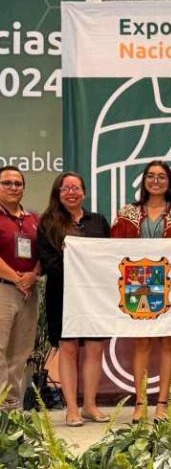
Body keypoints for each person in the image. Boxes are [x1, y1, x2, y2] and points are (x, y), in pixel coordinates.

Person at [110, 160, 171, 422]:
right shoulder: (127, 213)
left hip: (169, 285)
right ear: (144, 181)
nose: (156, 181)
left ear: (169, 182)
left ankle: (163, 405)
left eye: (162, 176)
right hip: (136, 285)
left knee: (168, 342)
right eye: (151, 176)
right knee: (141, 342)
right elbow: (111, 249)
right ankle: (140, 403)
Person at [36, 172, 110, 426]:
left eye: (76, 188)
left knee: (95, 348)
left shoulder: (98, 221)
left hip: (95, 295)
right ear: (58, 193)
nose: (71, 192)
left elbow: (108, 256)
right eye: (65, 188)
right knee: (68, 349)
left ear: (84, 193)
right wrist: (76, 274)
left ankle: (90, 405)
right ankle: (71, 409)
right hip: (62, 293)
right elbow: (48, 260)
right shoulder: (48, 222)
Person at [0, 166, 41, 411]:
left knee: (20, 353)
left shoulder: (34, 219)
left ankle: (12, 408)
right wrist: (17, 279)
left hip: (29, 292)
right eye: (6, 183)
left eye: (18, 183)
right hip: (4, 289)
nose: (13, 187)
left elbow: (44, 253)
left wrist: (33, 274)